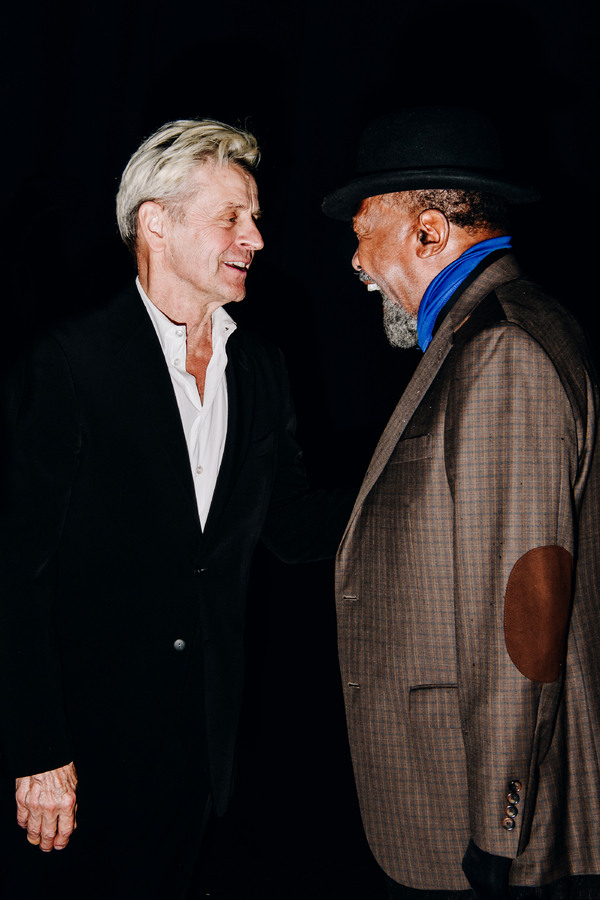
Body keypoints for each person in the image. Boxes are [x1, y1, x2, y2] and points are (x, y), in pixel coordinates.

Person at [0, 118, 353, 899]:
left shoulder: (260, 368)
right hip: (73, 761)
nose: (256, 238)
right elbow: (12, 575)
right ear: (155, 222)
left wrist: (407, 480)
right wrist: (36, 751)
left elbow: (289, 529)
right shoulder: (68, 365)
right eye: (233, 216)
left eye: (255, 217)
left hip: (198, 753)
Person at [322, 106, 600, 898]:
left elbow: (524, 616)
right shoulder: (487, 333)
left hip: (509, 840)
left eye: (362, 230)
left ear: (429, 233)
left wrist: (498, 835)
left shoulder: (502, 351)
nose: (354, 261)